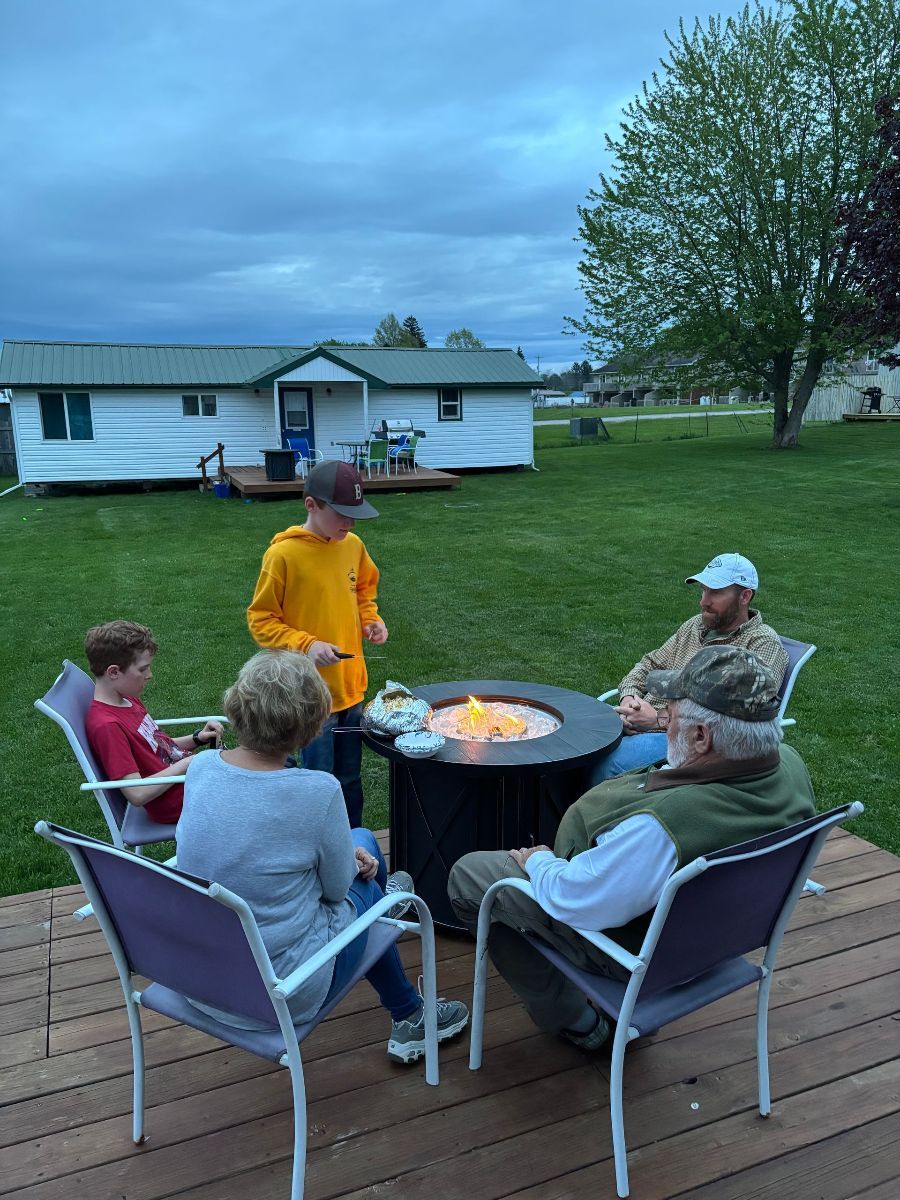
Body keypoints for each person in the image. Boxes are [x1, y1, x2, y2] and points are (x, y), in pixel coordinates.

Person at [448, 645, 816, 1050]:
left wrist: (539, 862)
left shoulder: (664, 827)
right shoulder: (789, 763)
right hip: (719, 935)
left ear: (700, 736)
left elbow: (575, 897)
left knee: (472, 877)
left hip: (643, 954)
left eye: (670, 719)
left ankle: (579, 1022)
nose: (666, 729)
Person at [176, 649, 468, 1063]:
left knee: (361, 846)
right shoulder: (317, 791)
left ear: (238, 706)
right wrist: (354, 865)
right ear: (313, 724)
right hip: (281, 991)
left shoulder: (202, 766)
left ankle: (390, 913)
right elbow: (335, 891)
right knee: (367, 858)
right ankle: (409, 1009)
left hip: (202, 978)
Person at [247, 460, 386, 828]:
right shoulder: (283, 556)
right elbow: (261, 619)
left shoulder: (353, 546)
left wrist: (371, 619)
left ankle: (354, 850)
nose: (350, 523)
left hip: (351, 689)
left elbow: (363, 590)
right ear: (312, 505)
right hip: (309, 697)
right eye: (342, 514)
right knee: (316, 781)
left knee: (350, 781)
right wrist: (306, 645)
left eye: (355, 515)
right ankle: (313, 853)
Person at [591, 552, 788, 783]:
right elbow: (648, 664)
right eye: (703, 590)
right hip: (638, 722)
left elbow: (735, 718)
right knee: (576, 744)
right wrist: (629, 701)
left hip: (685, 741)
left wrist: (657, 720)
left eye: (715, 592)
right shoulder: (695, 626)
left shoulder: (761, 643)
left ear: (744, 596)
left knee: (607, 765)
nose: (704, 601)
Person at [84, 620, 222, 825]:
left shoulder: (127, 700)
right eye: (143, 669)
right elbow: (136, 793)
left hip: (189, 784)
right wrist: (187, 764)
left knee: (266, 765)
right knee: (260, 778)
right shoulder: (108, 726)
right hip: (178, 802)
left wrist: (197, 738)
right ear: (113, 672)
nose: (150, 675)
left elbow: (155, 747)